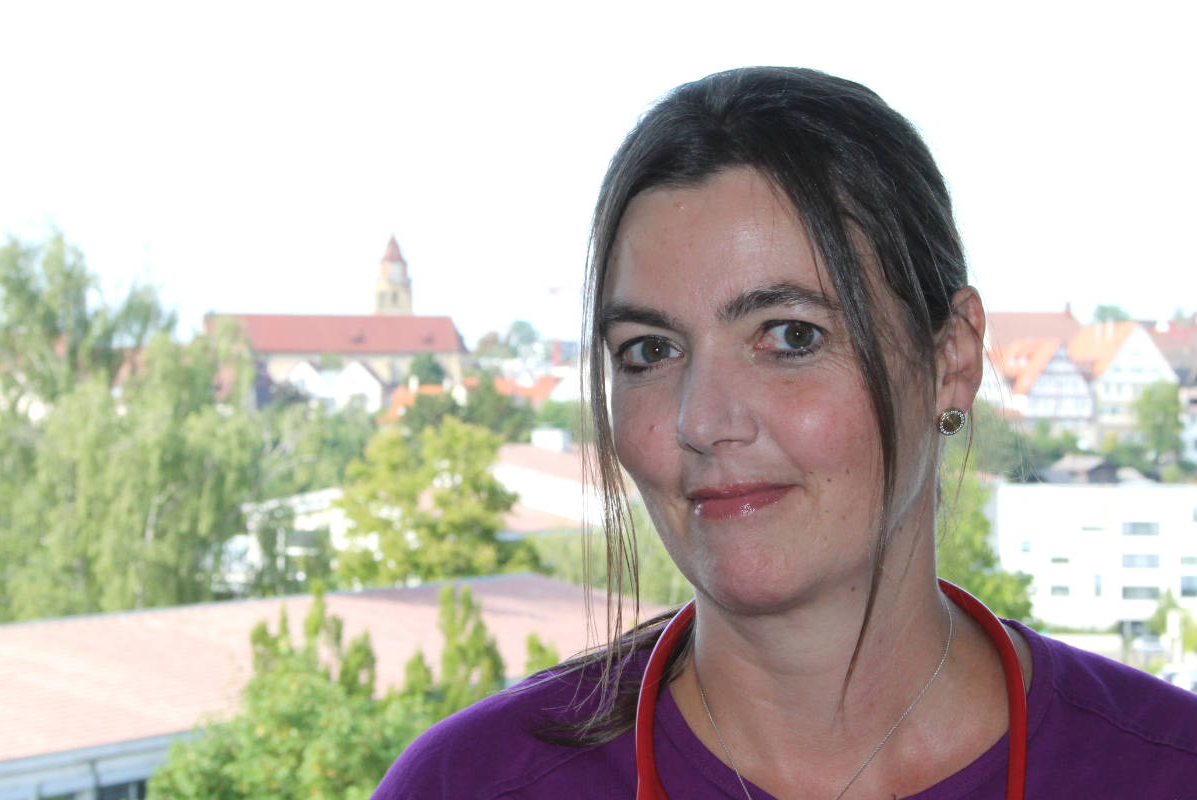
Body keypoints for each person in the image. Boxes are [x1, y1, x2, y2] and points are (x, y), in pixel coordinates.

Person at [371, 67, 1197, 799]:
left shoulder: (1167, 768)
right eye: (650, 351)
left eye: (790, 335)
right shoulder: (469, 785)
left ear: (952, 360)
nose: (702, 420)